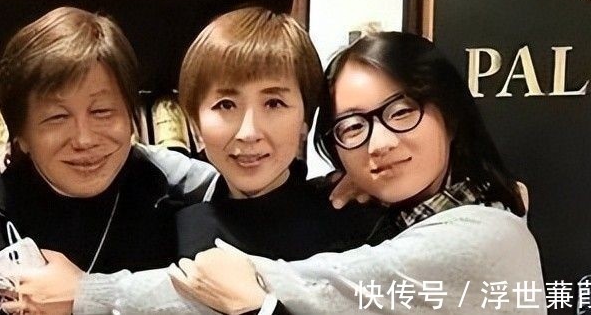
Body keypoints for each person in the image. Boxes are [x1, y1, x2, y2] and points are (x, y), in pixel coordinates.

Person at [1, 7, 381, 315]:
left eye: (274, 103)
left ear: (305, 119)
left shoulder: (357, 219)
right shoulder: (177, 226)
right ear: (195, 125)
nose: (249, 132)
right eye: (226, 105)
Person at [162, 32, 544, 314]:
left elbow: (317, 285)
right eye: (353, 126)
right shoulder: (382, 213)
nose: (379, 144)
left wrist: (261, 303)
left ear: (450, 112)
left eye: (401, 112)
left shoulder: (480, 238)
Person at [0, 6, 217, 279]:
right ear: (20, 135)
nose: (84, 139)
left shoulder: (176, 192)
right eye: (58, 117)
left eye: (101, 111)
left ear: (132, 117)